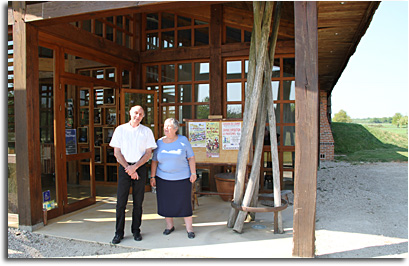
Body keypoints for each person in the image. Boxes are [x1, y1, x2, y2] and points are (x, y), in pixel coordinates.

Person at [109, 105, 157, 244]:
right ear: (130, 113)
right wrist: (128, 168)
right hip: (124, 168)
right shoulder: (120, 129)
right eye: (136, 113)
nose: (138, 116)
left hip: (140, 168)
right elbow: (117, 152)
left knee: (138, 202)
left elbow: (149, 153)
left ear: (143, 116)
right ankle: (119, 233)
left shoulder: (146, 131)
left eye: (141, 114)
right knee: (121, 202)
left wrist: (135, 168)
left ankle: (136, 230)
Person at [150, 118, 197, 239]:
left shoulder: (183, 140)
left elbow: (191, 157)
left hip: (182, 178)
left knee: (185, 203)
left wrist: (193, 173)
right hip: (163, 178)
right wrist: (152, 176)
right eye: (165, 126)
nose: (166, 128)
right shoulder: (159, 142)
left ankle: (189, 229)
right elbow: (154, 161)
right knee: (166, 203)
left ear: (176, 129)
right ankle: (169, 226)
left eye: (169, 126)